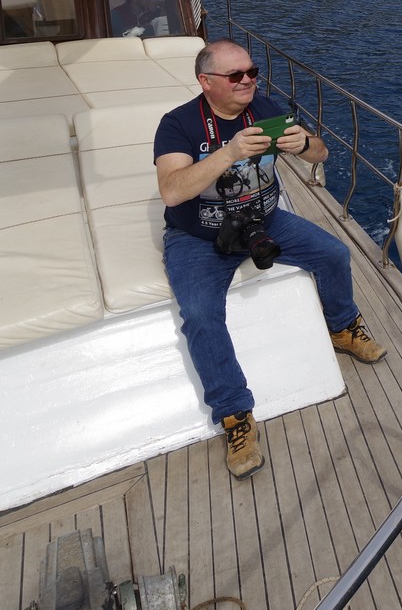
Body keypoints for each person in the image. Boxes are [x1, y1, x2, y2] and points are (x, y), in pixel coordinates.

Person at [154, 38, 386, 479]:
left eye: (252, 72)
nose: (248, 81)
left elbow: (322, 153)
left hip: (265, 219)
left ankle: (342, 328)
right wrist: (229, 152)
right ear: (206, 81)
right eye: (235, 75)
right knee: (201, 314)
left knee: (334, 253)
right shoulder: (178, 124)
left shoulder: (264, 109)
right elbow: (171, 190)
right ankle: (235, 414)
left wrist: (305, 143)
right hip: (198, 236)